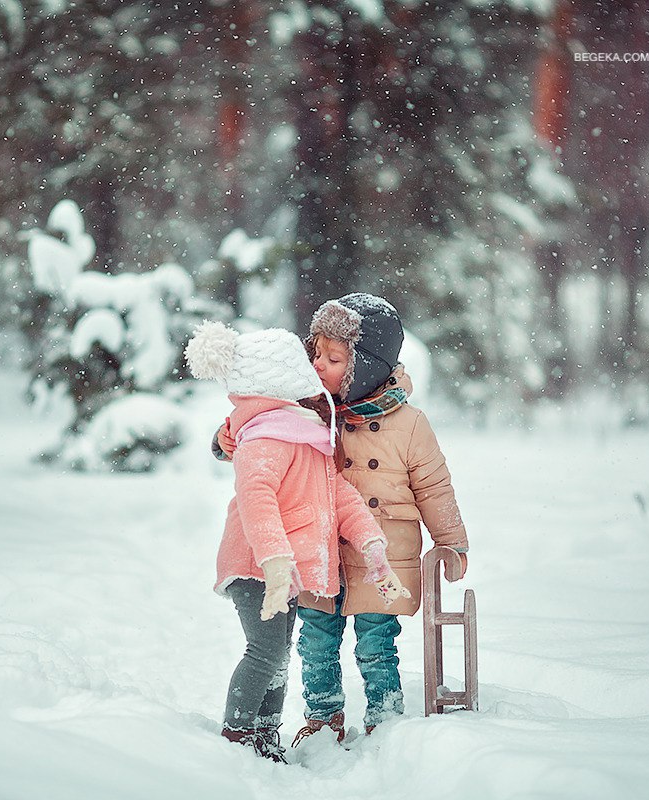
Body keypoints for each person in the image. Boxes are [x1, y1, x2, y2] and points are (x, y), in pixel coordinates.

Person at [214, 294, 469, 743]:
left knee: (376, 645)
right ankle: (322, 716)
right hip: (319, 552)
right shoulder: (308, 411)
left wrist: (450, 540)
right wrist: (226, 437)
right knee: (315, 642)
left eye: (333, 359)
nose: (318, 365)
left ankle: (385, 721)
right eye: (316, 354)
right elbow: (254, 420)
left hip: (379, 552)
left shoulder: (408, 424)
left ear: (365, 367)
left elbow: (434, 486)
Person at [186, 321, 408, 763]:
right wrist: (272, 560)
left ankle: (265, 739)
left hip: (282, 571)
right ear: (278, 379)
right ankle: (235, 738)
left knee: (279, 656)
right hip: (256, 565)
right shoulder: (265, 436)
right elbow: (256, 499)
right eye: (301, 366)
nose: (311, 372)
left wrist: (370, 542)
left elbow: (338, 496)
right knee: (265, 652)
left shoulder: (305, 433)